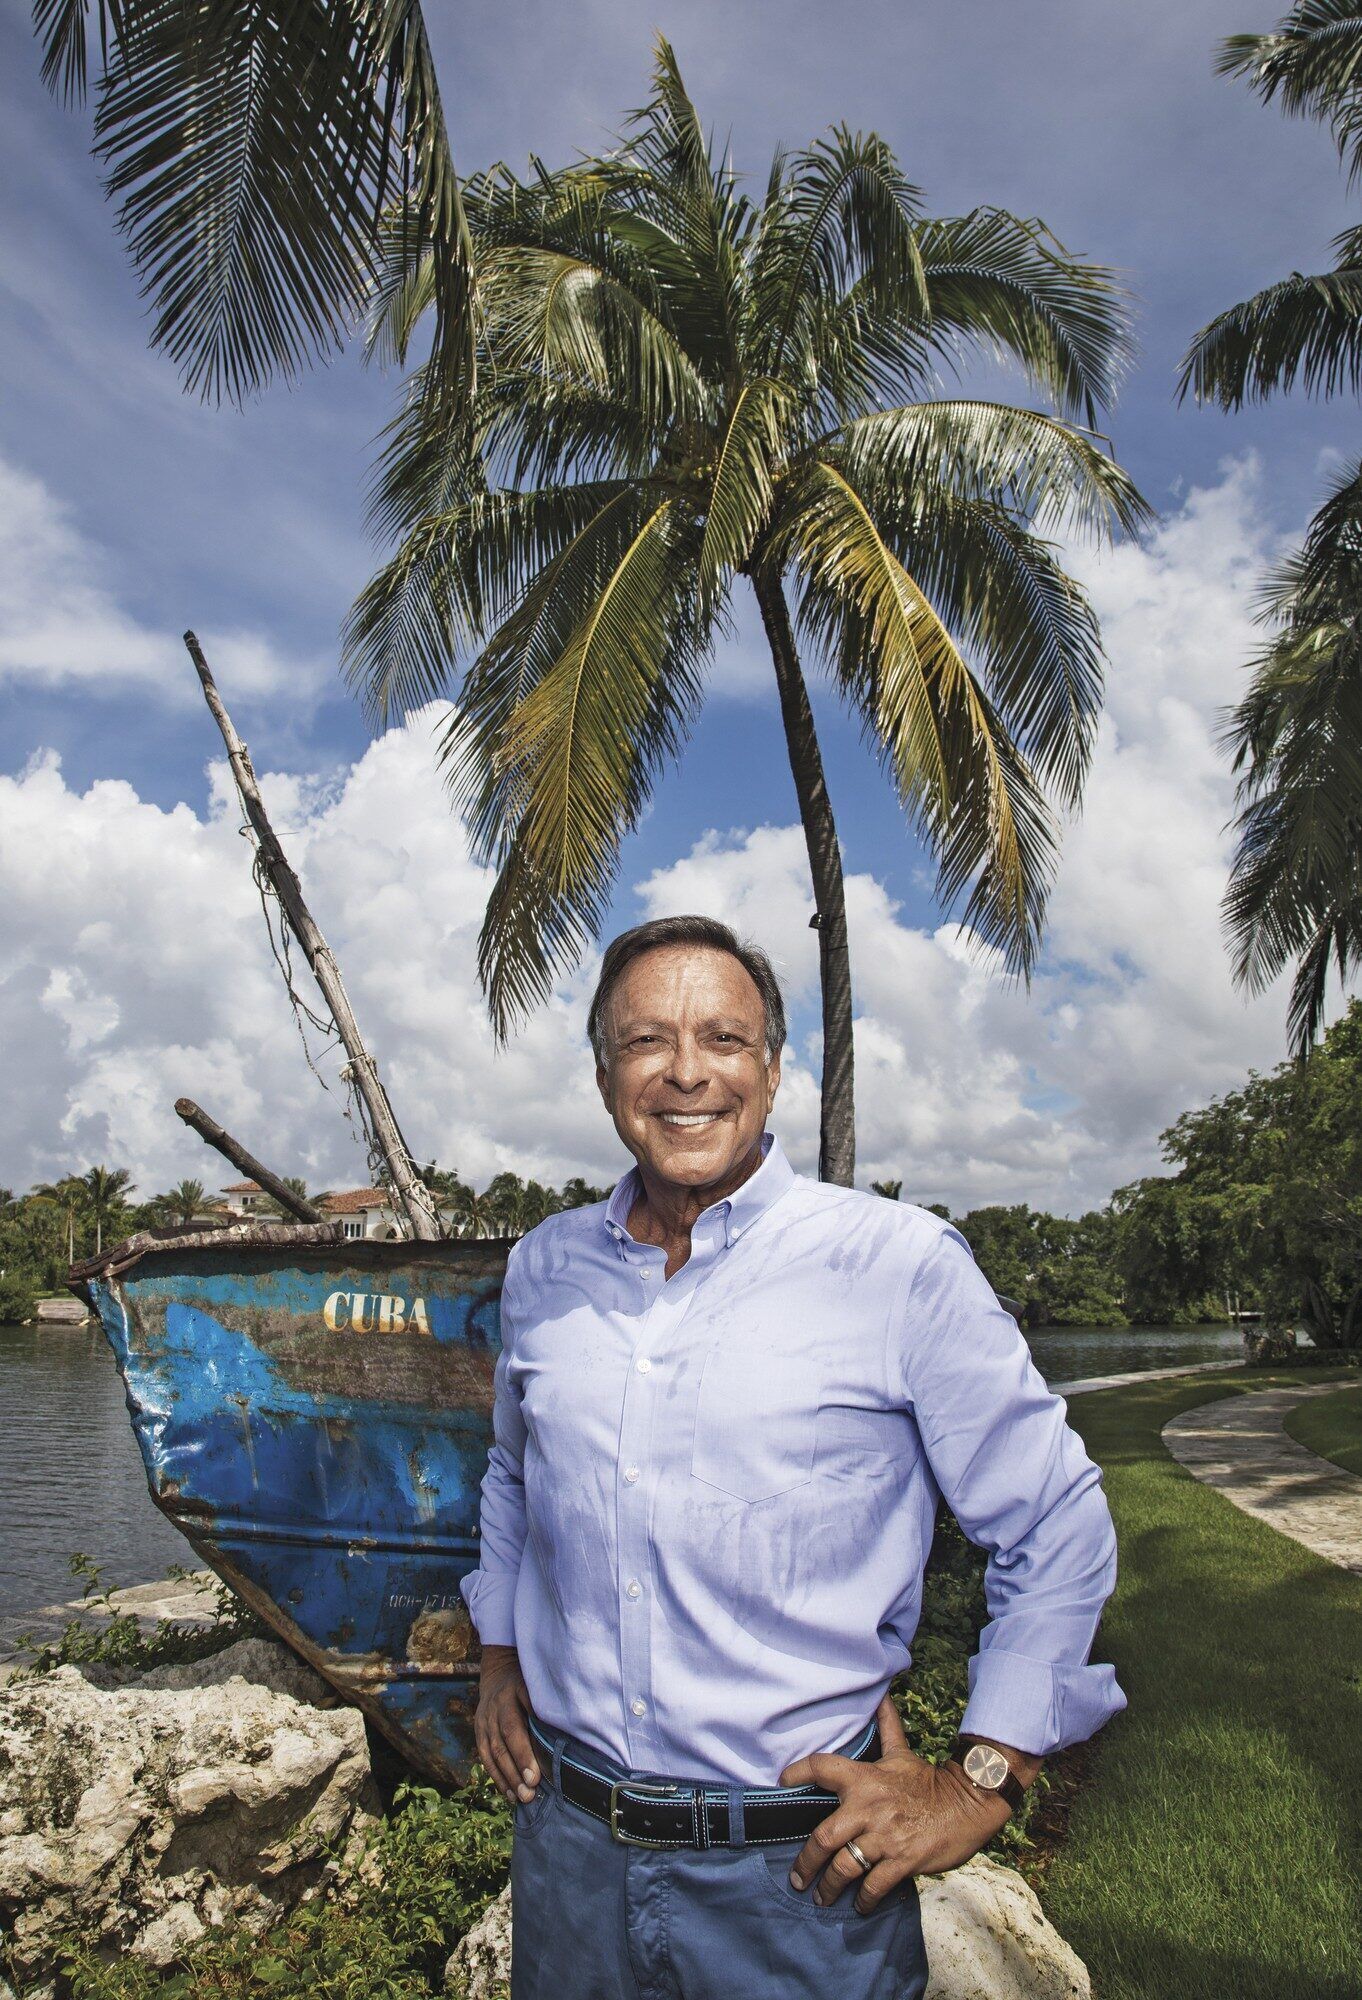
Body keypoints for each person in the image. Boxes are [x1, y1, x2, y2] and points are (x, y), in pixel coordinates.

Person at [460, 915, 1125, 2000]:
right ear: (602, 1074)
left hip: (799, 1882)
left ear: (771, 1071)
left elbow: (1054, 1521)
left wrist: (983, 1778)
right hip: (569, 1859)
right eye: (646, 1041)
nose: (686, 1072)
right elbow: (513, 1474)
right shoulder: (545, 1266)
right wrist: (499, 1651)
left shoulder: (894, 1264)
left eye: (724, 1039)